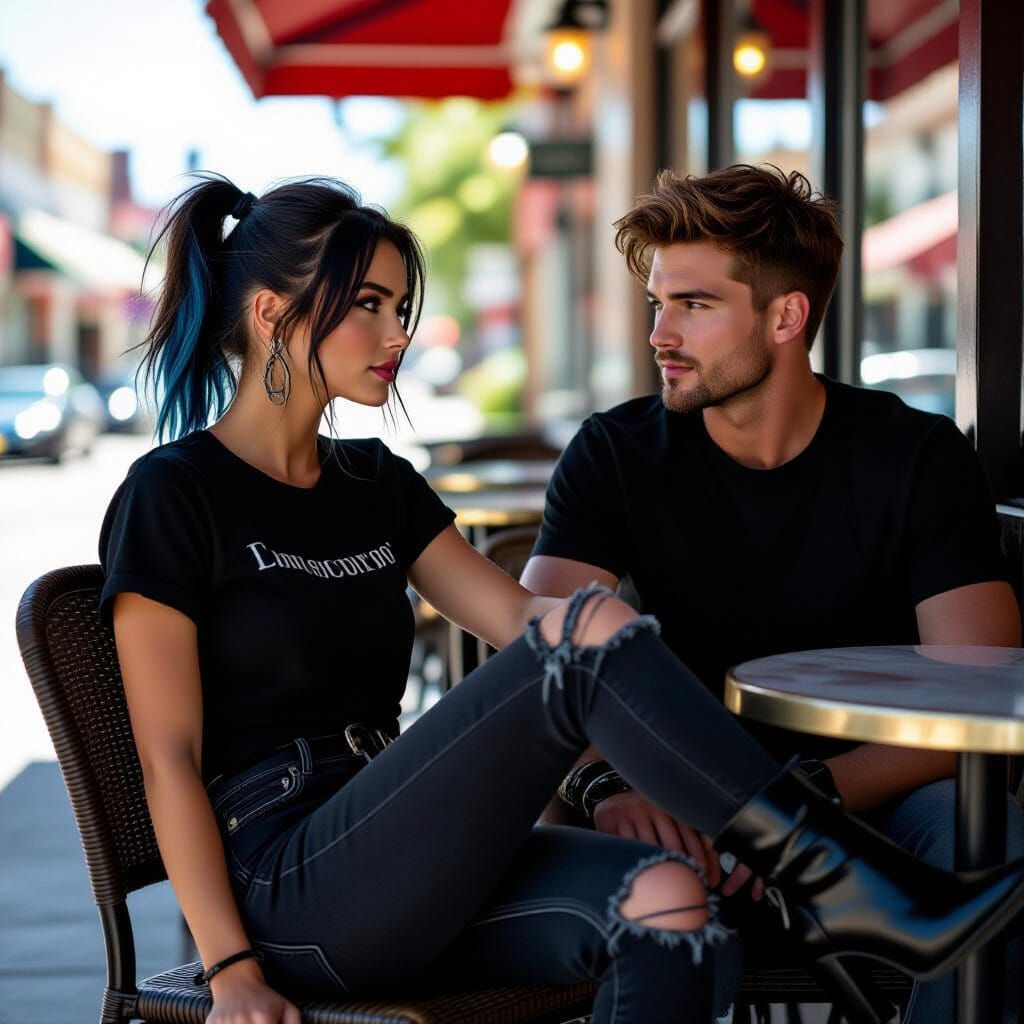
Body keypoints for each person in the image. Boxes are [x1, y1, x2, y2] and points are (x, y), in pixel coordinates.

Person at [99, 173, 1024, 1024]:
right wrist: (230, 970)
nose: (399, 335)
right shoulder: (174, 493)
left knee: (669, 902)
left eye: (400, 307)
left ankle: (834, 866)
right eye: (370, 307)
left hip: (407, 833)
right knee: (582, 634)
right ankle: (841, 871)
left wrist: (612, 691)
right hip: (287, 879)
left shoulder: (375, 482)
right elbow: (168, 763)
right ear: (271, 314)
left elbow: (517, 622)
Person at [520, 163, 1024, 1022]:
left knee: (999, 851)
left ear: (786, 316)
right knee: (636, 900)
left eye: (695, 305)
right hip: (671, 804)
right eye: (656, 303)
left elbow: (983, 697)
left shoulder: (915, 456)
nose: (660, 334)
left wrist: (796, 804)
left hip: (871, 808)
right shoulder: (616, 454)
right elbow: (527, 667)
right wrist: (608, 783)